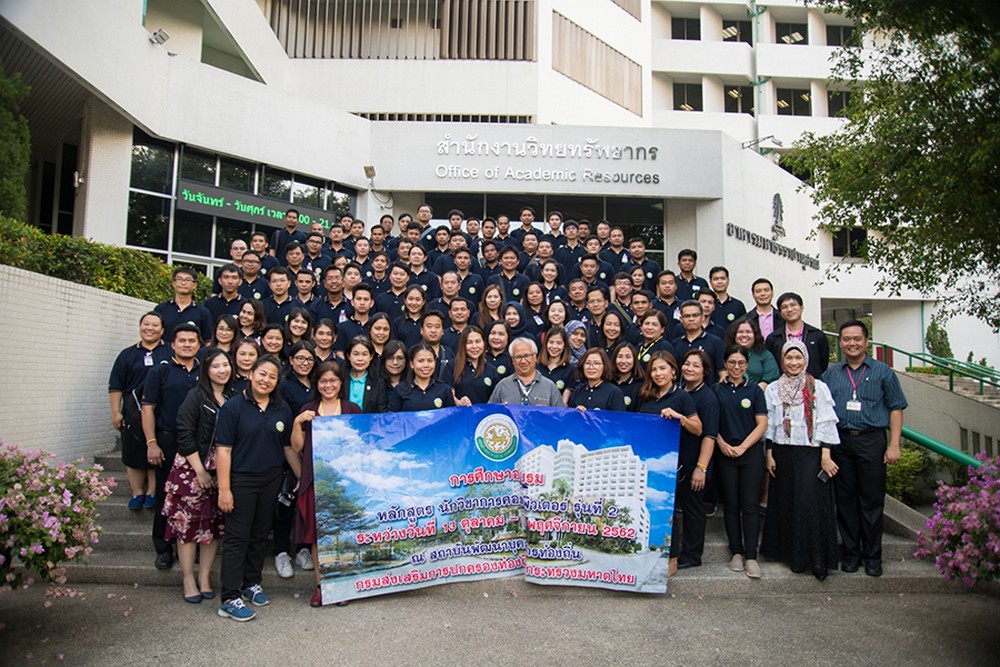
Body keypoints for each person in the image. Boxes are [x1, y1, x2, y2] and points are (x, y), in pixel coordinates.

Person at [215, 356, 300, 622]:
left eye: (272, 377)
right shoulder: (233, 407)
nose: (266, 380)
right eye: (262, 374)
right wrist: (224, 489)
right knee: (237, 538)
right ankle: (229, 597)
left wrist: (302, 477)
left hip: (271, 479)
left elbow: (287, 447)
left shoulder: (281, 407)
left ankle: (251, 583)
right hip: (241, 480)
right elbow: (224, 450)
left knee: (260, 534)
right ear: (250, 374)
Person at [822, 319, 907, 577]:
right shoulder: (831, 373)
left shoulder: (883, 372)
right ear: (840, 343)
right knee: (845, 500)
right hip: (841, 441)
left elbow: (896, 407)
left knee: (871, 501)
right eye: (846, 339)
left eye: (856, 339)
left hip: (872, 440)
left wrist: (893, 445)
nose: (851, 343)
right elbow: (823, 412)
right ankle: (851, 554)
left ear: (866, 341)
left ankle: (873, 557)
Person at [761, 340, 841, 580]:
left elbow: (826, 421)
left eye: (798, 358)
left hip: (811, 452)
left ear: (805, 359)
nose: (793, 363)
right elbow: (770, 423)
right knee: (787, 502)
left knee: (809, 504)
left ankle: (816, 559)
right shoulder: (774, 388)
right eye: (788, 358)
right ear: (782, 360)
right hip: (783, 452)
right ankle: (790, 555)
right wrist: (769, 454)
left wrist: (825, 455)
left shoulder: (818, 387)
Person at [290, 360, 362, 607]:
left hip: (344, 483)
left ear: (341, 383)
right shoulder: (309, 409)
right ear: (317, 384)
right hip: (315, 480)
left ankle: (342, 585)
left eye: (333, 380)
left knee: (343, 535)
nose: (328, 385)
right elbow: (297, 447)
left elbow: (361, 446)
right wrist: (298, 422)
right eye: (323, 381)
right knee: (318, 537)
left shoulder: (352, 409)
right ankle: (322, 586)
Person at [166, 348, 231, 603]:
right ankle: (188, 578)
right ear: (206, 369)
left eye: (225, 365)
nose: (222, 370)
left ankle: (204, 577)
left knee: (213, 528)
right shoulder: (196, 396)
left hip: (221, 472)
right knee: (189, 527)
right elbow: (183, 432)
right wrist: (200, 470)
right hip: (192, 470)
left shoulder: (233, 396)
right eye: (216, 366)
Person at [636, 351, 705, 575]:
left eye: (663, 368)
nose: (658, 373)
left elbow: (698, 428)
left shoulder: (682, 397)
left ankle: (672, 560)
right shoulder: (645, 395)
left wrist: (680, 418)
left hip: (673, 464)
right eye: (654, 369)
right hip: (648, 463)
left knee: (668, 511)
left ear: (673, 371)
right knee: (651, 511)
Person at [141, 323, 202, 570]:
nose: (187, 344)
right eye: (182, 341)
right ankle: (163, 546)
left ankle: (192, 543)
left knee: (199, 494)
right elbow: (148, 408)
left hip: (198, 441)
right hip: (168, 439)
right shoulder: (160, 372)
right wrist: (151, 442)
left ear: (199, 344)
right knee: (166, 496)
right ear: (173, 344)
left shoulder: (206, 371)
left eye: (191, 340)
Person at [713, 345, 769, 579]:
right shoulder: (716, 390)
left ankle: (751, 555)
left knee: (750, 505)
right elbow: (711, 422)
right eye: (732, 362)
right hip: (724, 452)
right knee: (732, 505)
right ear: (725, 363)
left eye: (741, 363)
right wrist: (723, 444)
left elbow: (762, 423)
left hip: (750, 455)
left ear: (747, 365)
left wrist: (743, 447)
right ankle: (736, 551)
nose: (736, 367)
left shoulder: (755, 391)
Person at [108, 312, 170, 510]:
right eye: (146, 324)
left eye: (155, 325)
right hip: (133, 410)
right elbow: (116, 385)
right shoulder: (128, 354)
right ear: (140, 326)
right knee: (133, 449)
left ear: (162, 330)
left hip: (160, 409)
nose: (150, 328)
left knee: (155, 449)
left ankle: (152, 491)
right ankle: (137, 492)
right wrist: (116, 412)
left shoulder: (169, 351)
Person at [765, 292, 830, 379]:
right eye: (784, 307)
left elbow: (823, 364)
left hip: (811, 386)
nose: (789, 309)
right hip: (782, 387)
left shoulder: (817, 335)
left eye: (793, 305)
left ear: (801, 308)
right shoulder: (773, 338)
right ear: (780, 313)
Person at [488, 337, 565, 406]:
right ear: (512, 360)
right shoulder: (503, 386)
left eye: (527, 356)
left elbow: (561, 416)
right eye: (518, 357)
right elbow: (489, 414)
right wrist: (499, 410)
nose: (523, 361)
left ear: (535, 357)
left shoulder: (549, 387)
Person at [388, 343, 456, 411]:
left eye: (430, 361)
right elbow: (393, 418)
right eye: (420, 361)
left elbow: (451, 418)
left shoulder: (444, 390)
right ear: (411, 364)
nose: (426, 365)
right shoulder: (400, 390)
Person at [155, 267, 214, 342]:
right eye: (179, 279)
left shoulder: (203, 312)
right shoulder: (161, 309)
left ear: (195, 285)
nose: (183, 283)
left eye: (188, 280)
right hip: (165, 353)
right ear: (173, 283)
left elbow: (208, 340)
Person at [724, 316, 779, 389]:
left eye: (748, 332)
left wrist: (751, 393)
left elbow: (770, 379)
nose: (744, 335)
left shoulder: (765, 355)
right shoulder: (725, 353)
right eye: (740, 332)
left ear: (755, 335)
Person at [452, 326, 499, 405]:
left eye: (478, 342)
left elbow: (496, 399)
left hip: (484, 416)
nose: (474, 346)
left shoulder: (491, 370)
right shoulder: (452, 366)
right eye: (469, 342)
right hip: (460, 415)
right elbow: (448, 395)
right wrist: (458, 402)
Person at [343, 336, 389, 412]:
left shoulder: (378, 382)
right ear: (348, 356)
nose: (360, 359)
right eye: (356, 354)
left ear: (371, 356)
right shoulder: (340, 379)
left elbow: (381, 412)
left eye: (364, 354)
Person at [536, 326, 574, 394]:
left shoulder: (570, 369)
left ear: (564, 345)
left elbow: (565, 399)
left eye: (559, 343)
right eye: (551, 342)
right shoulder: (536, 366)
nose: (554, 346)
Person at [611, 341, 644, 411]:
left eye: (628, 357)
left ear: (634, 359)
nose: (623, 361)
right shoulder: (608, 382)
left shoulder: (641, 385)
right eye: (620, 357)